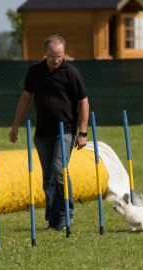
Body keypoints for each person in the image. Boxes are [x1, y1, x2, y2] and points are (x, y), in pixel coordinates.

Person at [9, 35, 89, 231]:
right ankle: (53, 219)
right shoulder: (35, 71)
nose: (56, 60)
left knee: (59, 170)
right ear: (44, 53)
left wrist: (83, 132)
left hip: (66, 131)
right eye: (53, 56)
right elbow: (26, 97)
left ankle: (66, 214)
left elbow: (84, 101)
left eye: (60, 56)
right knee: (48, 177)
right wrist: (15, 126)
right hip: (42, 132)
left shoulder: (71, 72)